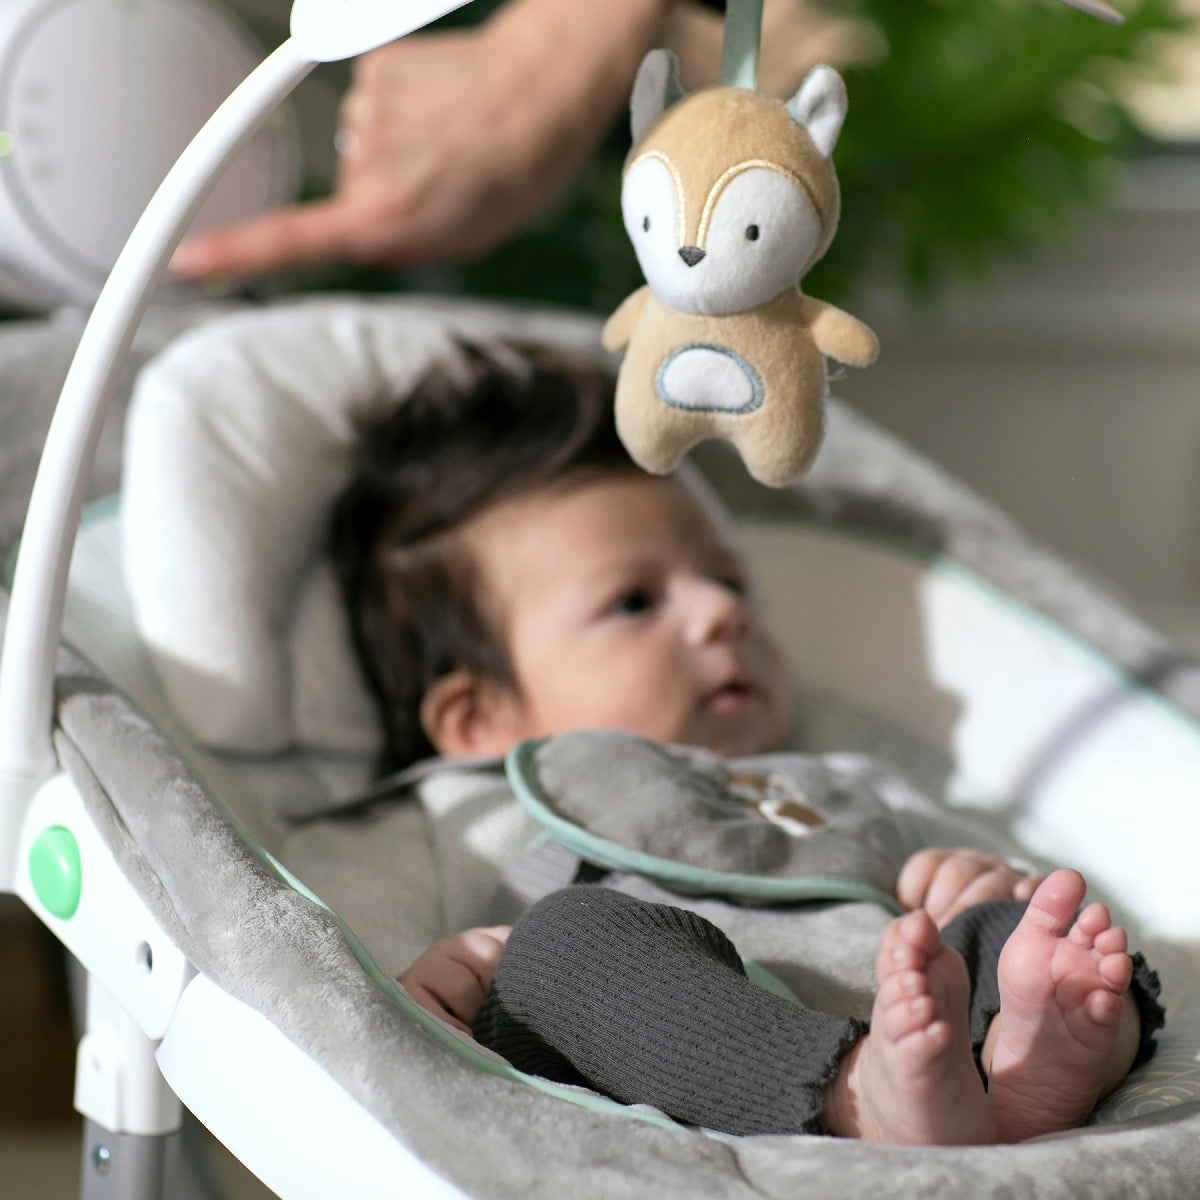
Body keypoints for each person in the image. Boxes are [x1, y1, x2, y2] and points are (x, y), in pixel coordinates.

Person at [329, 341, 1163, 1145]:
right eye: (633, 602)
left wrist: (972, 878)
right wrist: (436, 968)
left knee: (1043, 937)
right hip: (655, 1040)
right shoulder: (458, 798)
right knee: (561, 943)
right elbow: (349, 934)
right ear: (479, 717)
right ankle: (857, 1097)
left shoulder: (837, 774)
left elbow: (972, 897)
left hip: (907, 1015)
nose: (722, 611)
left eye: (727, 581)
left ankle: (1030, 1068)